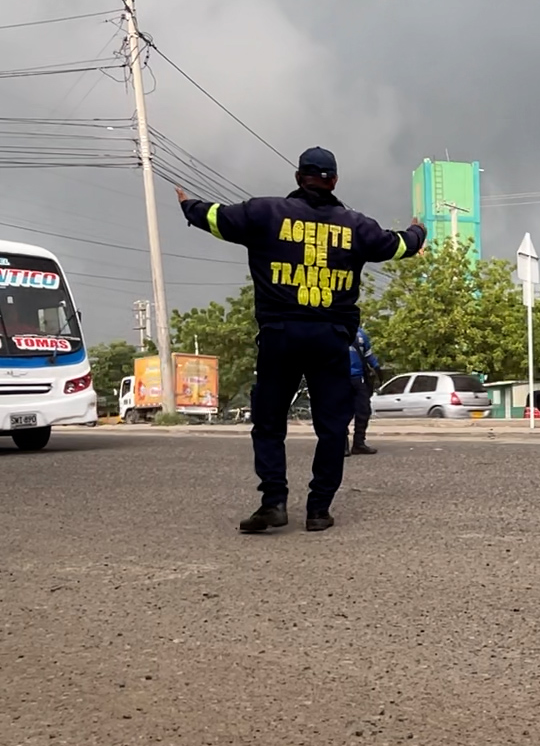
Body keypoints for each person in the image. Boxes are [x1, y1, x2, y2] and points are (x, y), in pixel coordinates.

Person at [176, 147, 426, 533]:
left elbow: (216, 218)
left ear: (298, 177)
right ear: (334, 181)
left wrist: (188, 204)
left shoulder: (264, 213)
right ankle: (318, 510)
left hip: (279, 336)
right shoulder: (356, 226)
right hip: (330, 339)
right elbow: (397, 244)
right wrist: (418, 230)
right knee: (331, 427)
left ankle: (273, 502)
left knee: (269, 423)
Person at [347, 325, 380, 456]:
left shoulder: (361, 334)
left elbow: (368, 355)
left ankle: (359, 444)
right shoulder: (333, 330)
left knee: (363, 410)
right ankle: (341, 445)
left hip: (358, 378)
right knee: (341, 412)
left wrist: (377, 368)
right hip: (339, 378)